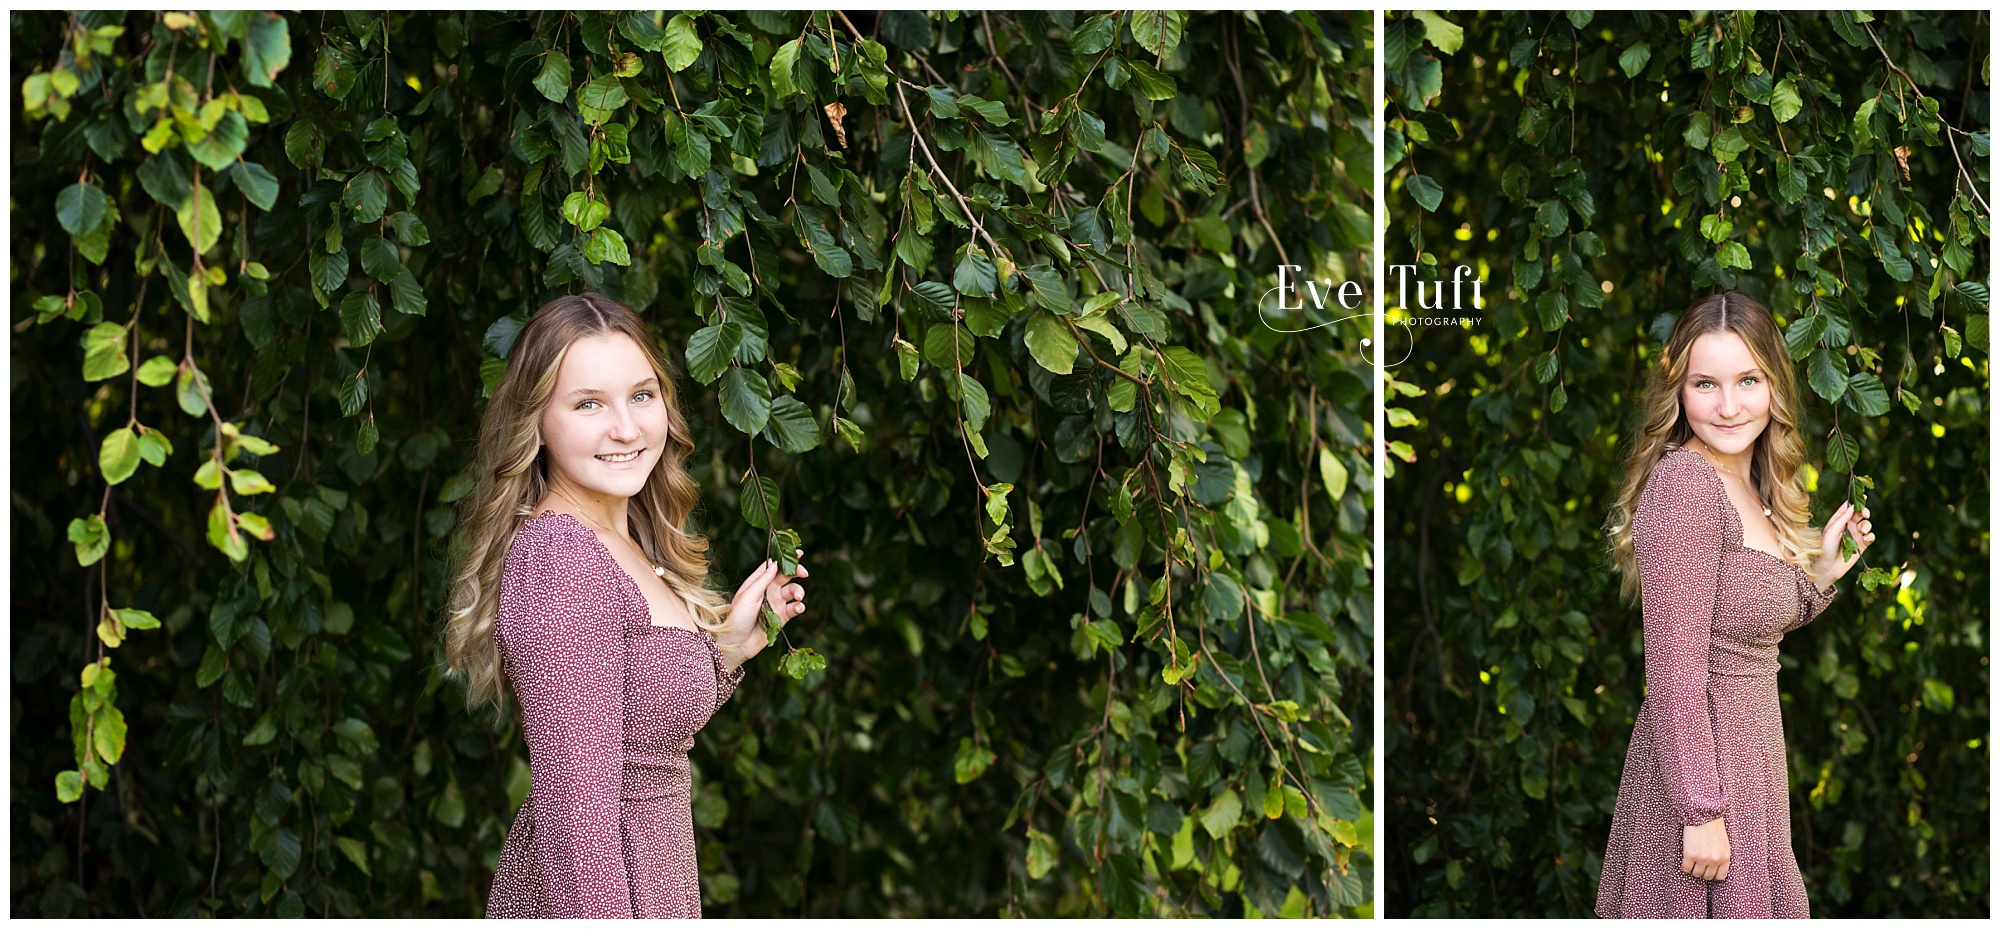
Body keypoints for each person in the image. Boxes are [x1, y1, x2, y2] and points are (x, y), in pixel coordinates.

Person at [442, 291, 808, 918]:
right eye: (589, 404)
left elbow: (638, 735)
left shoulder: (622, 540)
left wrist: (727, 647)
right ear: (537, 421)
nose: (627, 428)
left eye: (642, 395)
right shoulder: (561, 558)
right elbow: (575, 816)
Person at [1594, 292, 1877, 918]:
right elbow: (1675, 667)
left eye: (1747, 380)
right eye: (1706, 384)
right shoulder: (1686, 485)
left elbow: (1741, 635)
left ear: (1774, 385)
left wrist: (1819, 574)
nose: (1727, 406)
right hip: (1704, 788)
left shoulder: (1751, 484)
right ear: (1679, 391)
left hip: (1753, 775)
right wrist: (1700, 812)